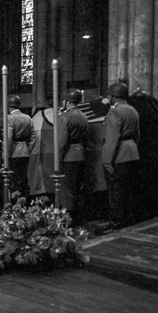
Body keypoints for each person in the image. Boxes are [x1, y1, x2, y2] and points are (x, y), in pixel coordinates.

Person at [102, 82, 140, 230]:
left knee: (115, 190)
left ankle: (115, 222)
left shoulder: (115, 112)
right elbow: (137, 134)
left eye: (109, 95)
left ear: (114, 96)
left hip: (118, 155)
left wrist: (107, 161)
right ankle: (127, 219)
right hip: (132, 151)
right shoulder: (133, 110)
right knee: (128, 189)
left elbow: (112, 137)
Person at [56, 89, 88, 221]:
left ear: (67, 102)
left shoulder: (65, 116)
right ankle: (79, 214)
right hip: (80, 152)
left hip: (69, 154)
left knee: (67, 186)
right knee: (78, 186)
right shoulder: (83, 115)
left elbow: (62, 140)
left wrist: (58, 159)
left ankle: (69, 216)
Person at [7, 95, 34, 198]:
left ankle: (16, 205)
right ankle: (25, 202)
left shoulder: (9, 118)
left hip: (14, 152)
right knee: (24, 179)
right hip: (25, 151)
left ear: (9, 106)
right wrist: (29, 148)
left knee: (14, 181)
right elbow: (33, 136)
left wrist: (6, 154)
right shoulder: (28, 117)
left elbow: (8, 138)